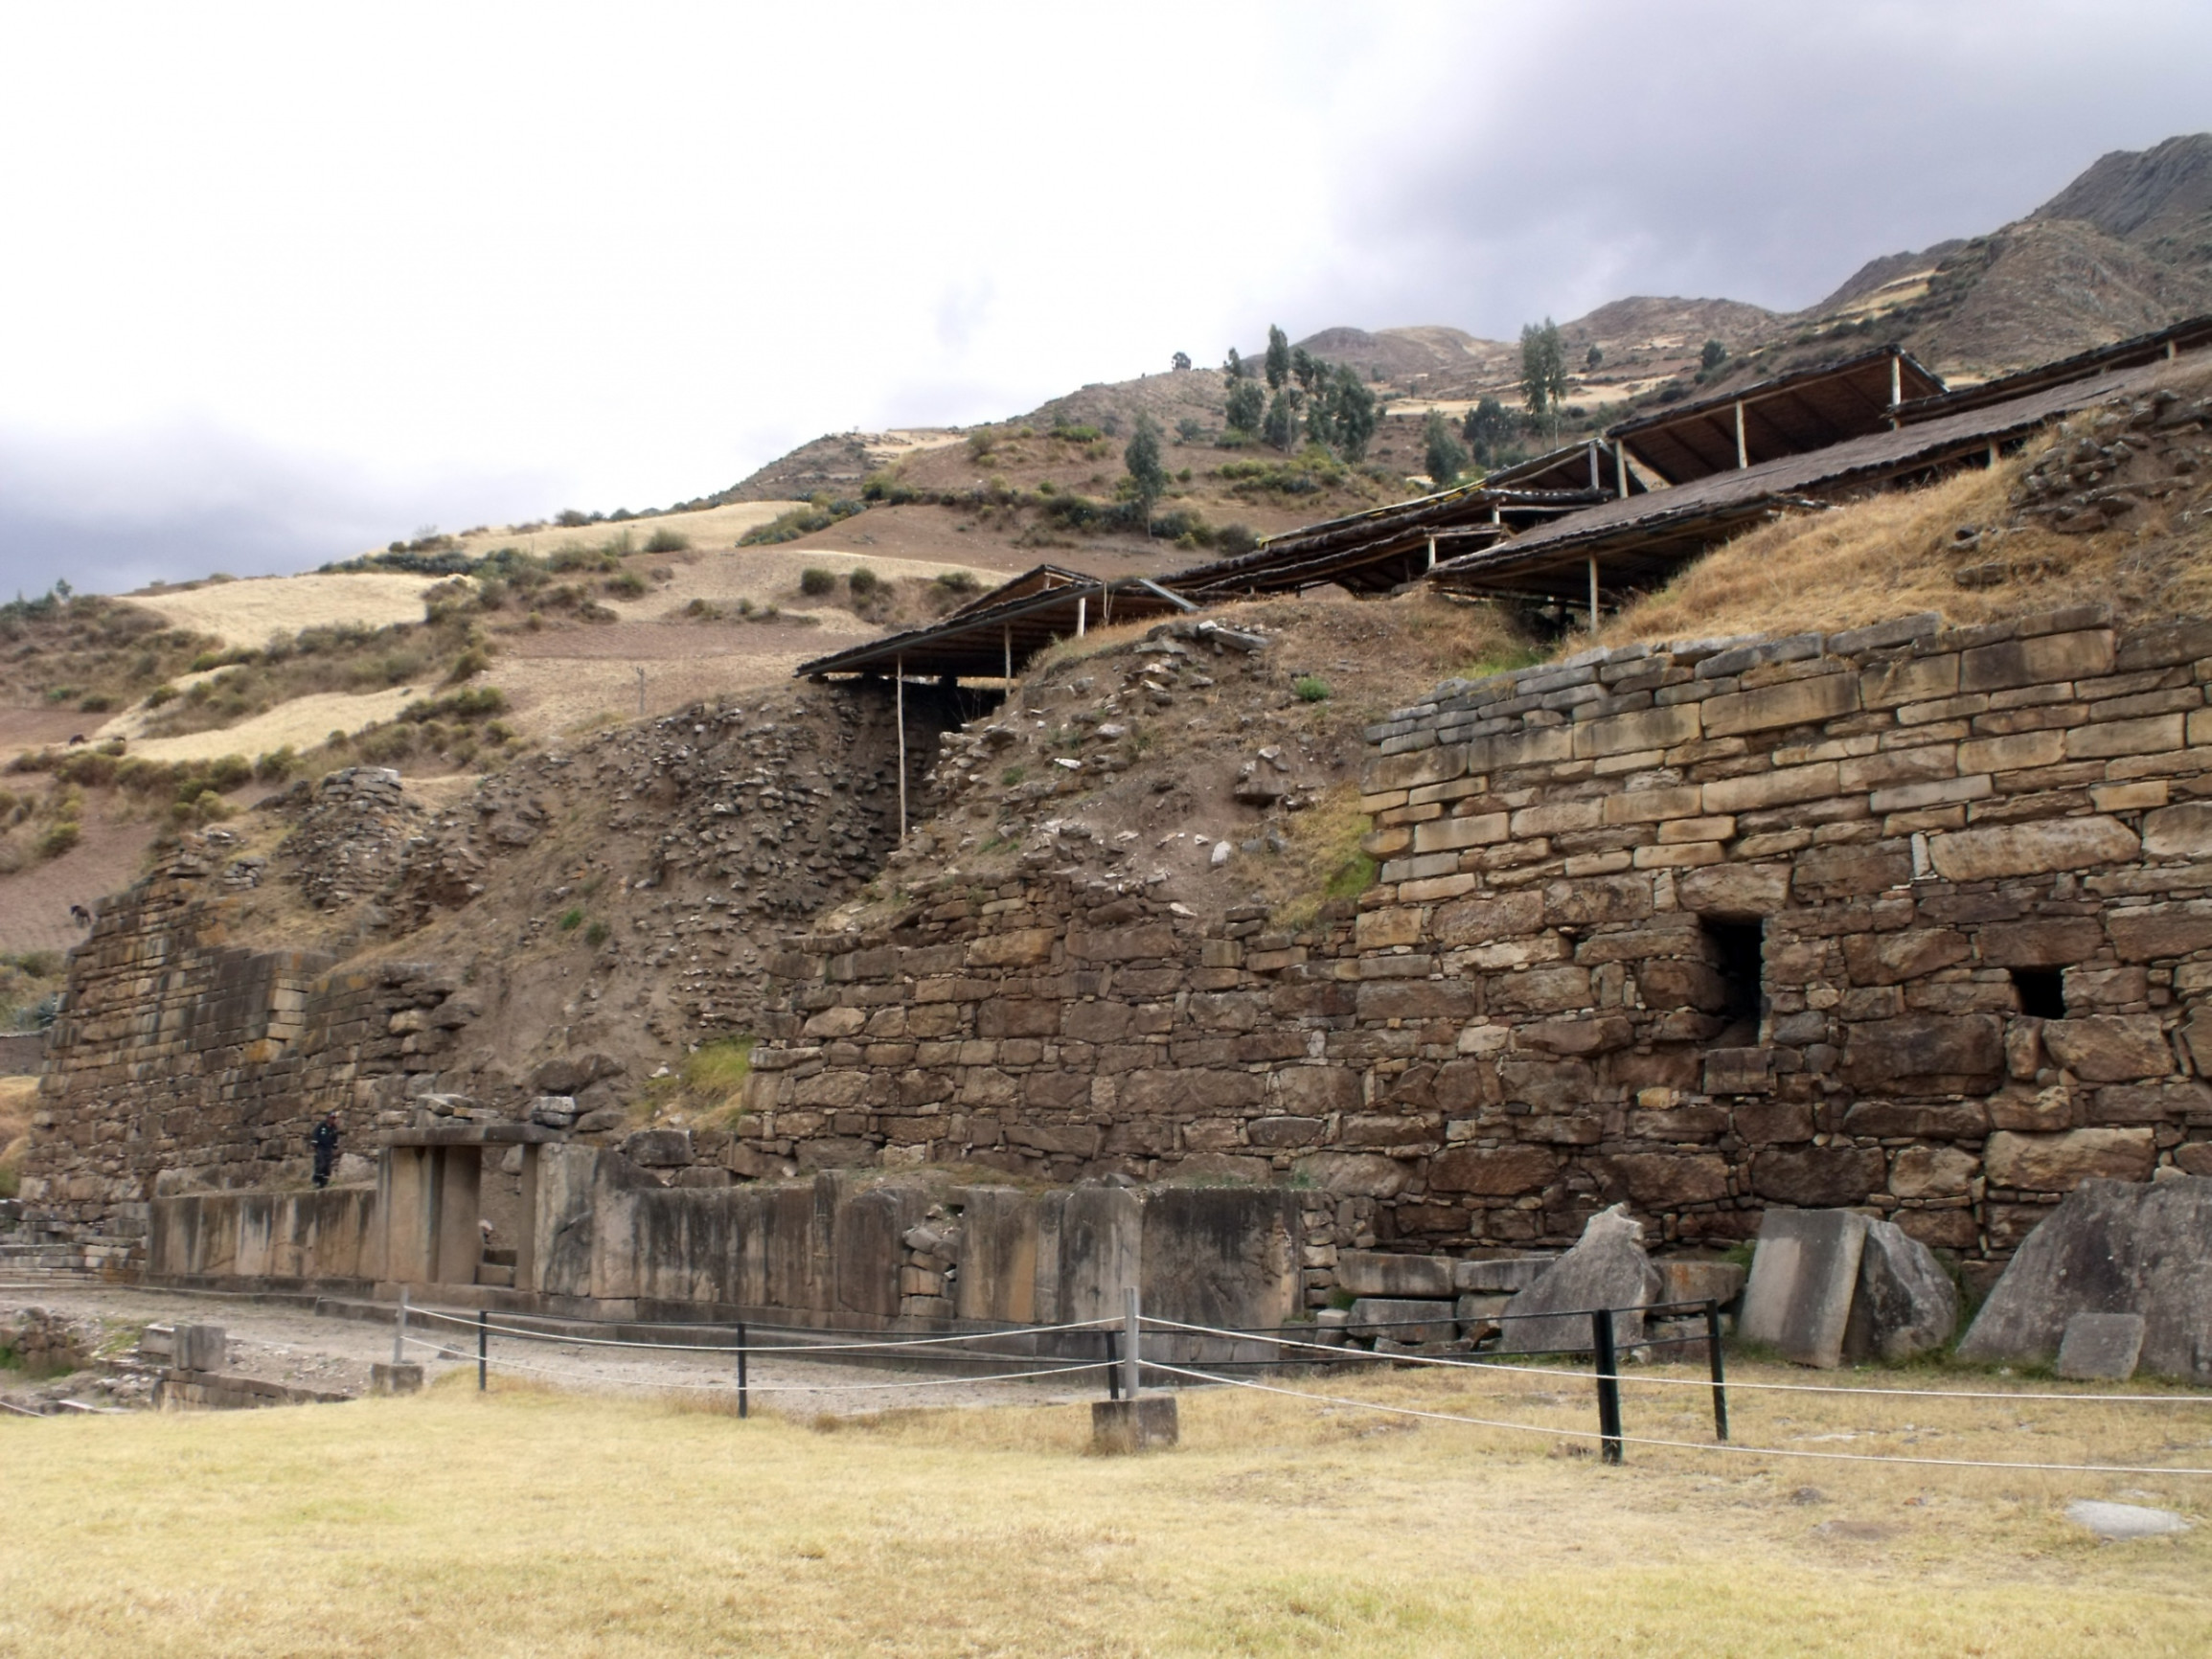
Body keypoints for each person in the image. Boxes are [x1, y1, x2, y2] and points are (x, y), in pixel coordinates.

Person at [310, 1113, 341, 1188]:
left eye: (333, 1118)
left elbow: (335, 1137)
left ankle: (324, 1182)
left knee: (327, 1165)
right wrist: (314, 1143)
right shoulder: (321, 1125)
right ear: (327, 1118)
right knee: (322, 1163)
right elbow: (315, 1133)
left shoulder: (334, 1128)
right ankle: (317, 1180)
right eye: (331, 1118)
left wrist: (335, 1145)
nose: (332, 1120)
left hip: (328, 1148)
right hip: (321, 1147)